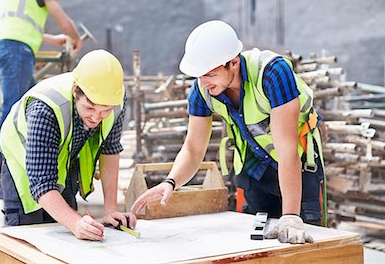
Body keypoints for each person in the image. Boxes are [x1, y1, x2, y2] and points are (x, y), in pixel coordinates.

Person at [131, 20, 326, 244]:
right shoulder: (202, 90)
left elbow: (287, 150)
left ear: (233, 62)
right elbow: (193, 149)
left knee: (301, 242)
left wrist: (291, 216)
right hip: (257, 169)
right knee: (257, 245)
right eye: (199, 76)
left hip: (297, 167)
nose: (203, 83)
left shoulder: (274, 73)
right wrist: (170, 182)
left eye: (210, 74)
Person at [0, 50, 136, 241]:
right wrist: (75, 223)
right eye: (89, 108)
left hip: (67, 157)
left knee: (65, 235)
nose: (96, 118)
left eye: (105, 111)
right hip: (22, 163)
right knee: (26, 239)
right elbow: (41, 182)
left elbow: (109, 149)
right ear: (75, 91)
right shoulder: (44, 109)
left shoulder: (115, 99)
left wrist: (110, 210)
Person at [0, 0, 82, 143]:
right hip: (16, 53)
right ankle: (5, 165)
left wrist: (55, 40)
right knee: (13, 108)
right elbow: (61, 18)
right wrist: (75, 37)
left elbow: (19, 29)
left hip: (3, 49)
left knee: (32, 102)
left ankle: (27, 154)